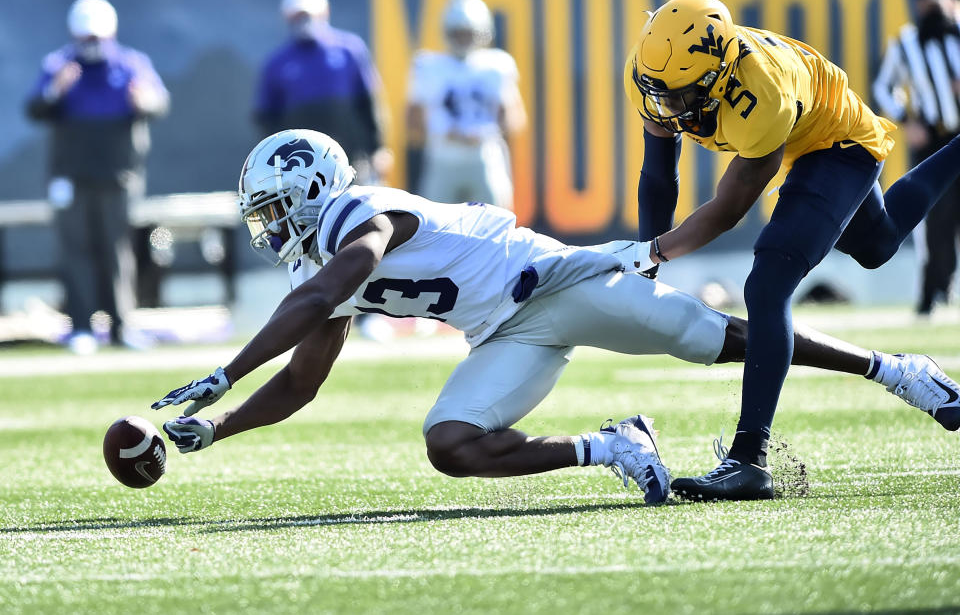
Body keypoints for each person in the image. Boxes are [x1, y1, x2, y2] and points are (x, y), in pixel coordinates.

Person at [150, 130, 960, 503]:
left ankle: (897, 370)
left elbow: (320, 297)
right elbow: (302, 381)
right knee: (451, 445)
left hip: (555, 282)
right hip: (502, 331)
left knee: (706, 338)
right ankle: (611, 445)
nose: (270, 227)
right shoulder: (323, 261)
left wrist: (225, 371)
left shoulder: (361, 215)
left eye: (274, 208)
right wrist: (217, 427)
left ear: (313, 191)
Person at [623, 0, 960, 501]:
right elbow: (657, 171)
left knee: (768, 283)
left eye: (679, 96)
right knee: (879, 243)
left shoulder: (763, 94)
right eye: (660, 95)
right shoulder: (655, 71)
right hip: (809, 129)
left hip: (838, 142)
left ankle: (749, 459)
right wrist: (644, 255)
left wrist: (653, 254)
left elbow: (728, 208)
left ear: (719, 75)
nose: (666, 108)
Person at [26, 0, 169, 354]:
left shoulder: (132, 64)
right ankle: (81, 327)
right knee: (76, 251)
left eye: (97, 37)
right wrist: (55, 90)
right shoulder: (59, 66)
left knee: (116, 252)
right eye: (85, 37)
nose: (92, 45)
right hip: (71, 177)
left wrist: (145, 101)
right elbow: (34, 107)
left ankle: (121, 326)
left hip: (118, 176)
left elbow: (158, 102)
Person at [255, 0, 394, 341]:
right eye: (297, 14)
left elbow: (370, 103)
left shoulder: (348, 50)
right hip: (304, 178)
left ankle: (370, 314)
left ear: (324, 11)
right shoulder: (278, 63)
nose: (304, 20)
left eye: (309, 12)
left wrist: (378, 148)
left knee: (362, 235)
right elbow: (266, 120)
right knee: (308, 242)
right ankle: (315, 313)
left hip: (351, 165)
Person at [873, 0, 960, 316]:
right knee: (934, 217)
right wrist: (906, 120)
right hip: (935, 140)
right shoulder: (906, 42)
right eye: (925, 1)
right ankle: (932, 294)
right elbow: (883, 87)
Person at [406, 0, 526, 208]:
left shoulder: (496, 65)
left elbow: (514, 118)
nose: (463, 39)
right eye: (457, 33)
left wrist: (487, 132)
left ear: (482, 32)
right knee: (434, 228)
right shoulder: (428, 65)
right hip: (443, 156)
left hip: (483, 155)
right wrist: (442, 133)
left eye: (468, 33)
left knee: (495, 226)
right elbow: (412, 120)